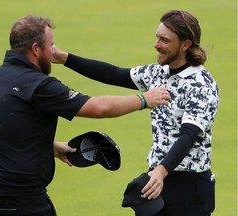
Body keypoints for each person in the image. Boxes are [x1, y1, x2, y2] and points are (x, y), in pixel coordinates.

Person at [0, 15, 172, 216]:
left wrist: (49, 146)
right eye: (51, 45)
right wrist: (144, 100)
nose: (54, 51)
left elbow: (1, 125)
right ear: (36, 49)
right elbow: (98, 107)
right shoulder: (39, 86)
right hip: (14, 199)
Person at [52, 10, 220, 216]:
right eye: (157, 37)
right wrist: (65, 58)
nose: (156, 44)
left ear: (185, 45)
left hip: (188, 187)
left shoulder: (202, 85)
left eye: (165, 40)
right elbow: (112, 74)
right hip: (156, 182)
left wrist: (160, 171)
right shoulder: (158, 72)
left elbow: (188, 136)